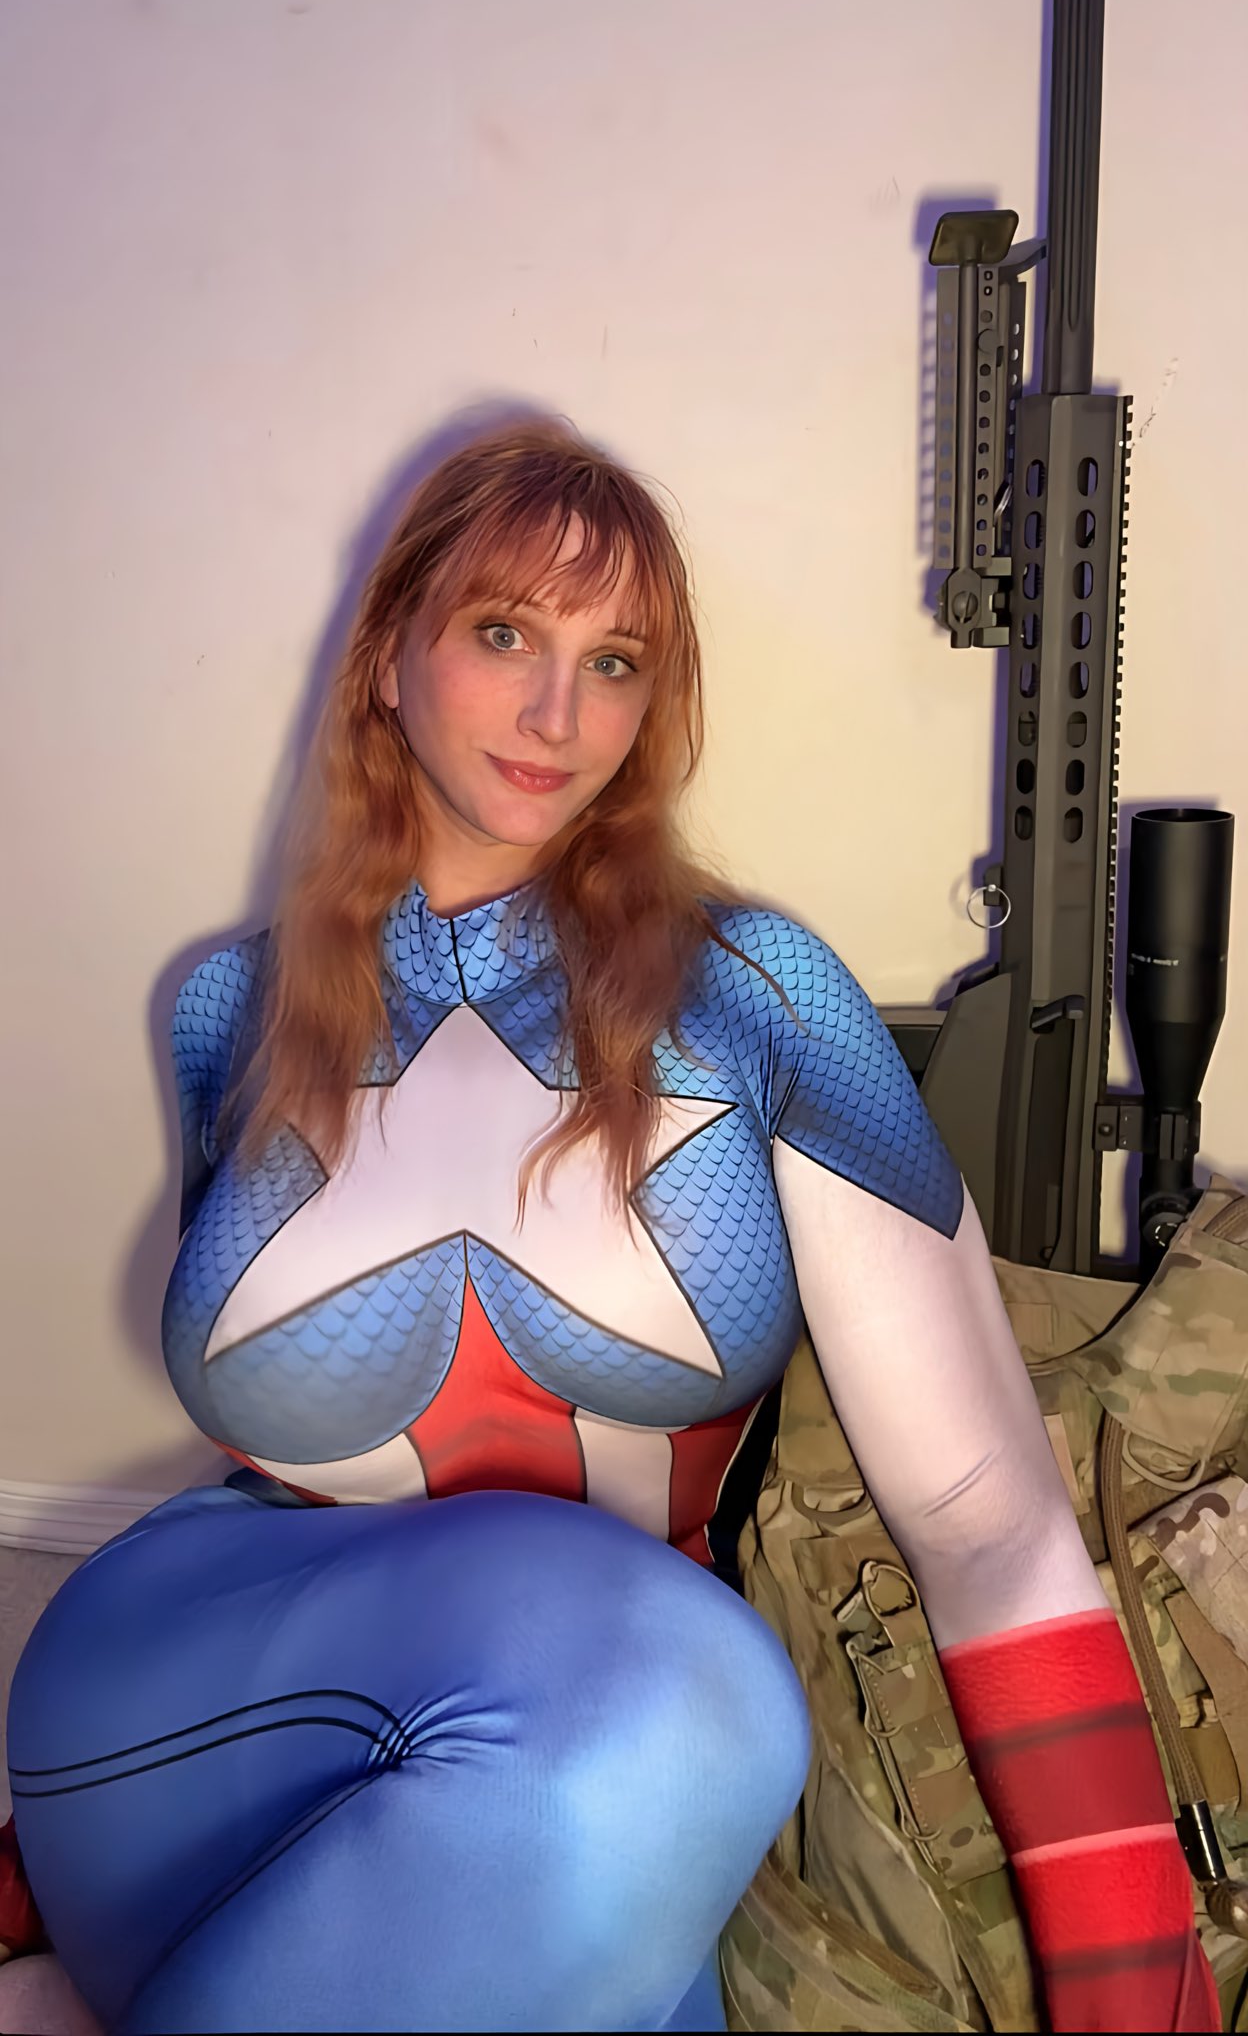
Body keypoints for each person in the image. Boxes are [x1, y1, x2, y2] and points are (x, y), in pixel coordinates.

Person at [4, 421, 1220, 2034]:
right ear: (389, 658)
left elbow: (991, 1527)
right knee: (696, 1707)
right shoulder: (229, 1008)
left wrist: (1141, 2010)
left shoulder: (760, 1003)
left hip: (604, 1775)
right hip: (182, 1709)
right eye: (505, 633)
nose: (556, 713)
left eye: (615, 660)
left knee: (668, 1738)